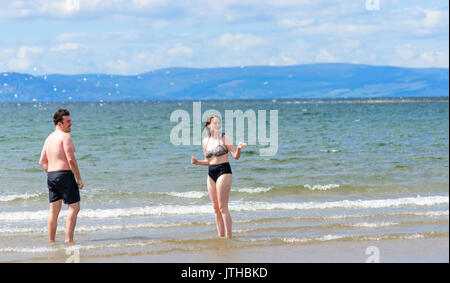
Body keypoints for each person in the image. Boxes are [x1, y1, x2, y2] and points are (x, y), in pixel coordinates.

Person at [191, 115, 247, 238]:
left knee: (223, 207)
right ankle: (220, 237)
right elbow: (208, 161)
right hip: (211, 172)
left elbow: (235, 156)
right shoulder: (205, 141)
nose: (217, 125)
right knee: (215, 208)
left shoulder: (225, 138)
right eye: (214, 123)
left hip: (224, 170)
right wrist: (197, 162)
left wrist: (238, 148)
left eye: (219, 123)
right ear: (208, 125)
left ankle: (229, 237)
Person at [39, 109, 84, 243]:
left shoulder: (49, 138)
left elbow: (41, 162)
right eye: (68, 121)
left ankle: (51, 241)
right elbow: (70, 159)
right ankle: (68, 240)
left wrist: (53, 175)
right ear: (60, 123)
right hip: (64, 174)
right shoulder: (65, 137)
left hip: (51, 175)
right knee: (74, 207)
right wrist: (79, 178)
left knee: (54, 210)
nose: (71, 123)